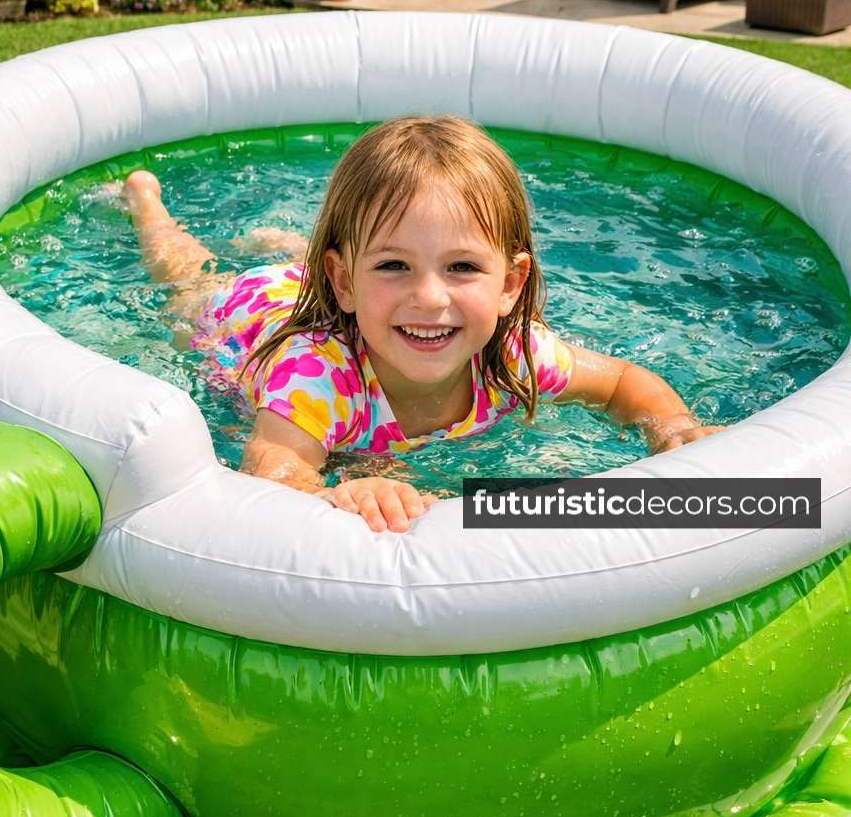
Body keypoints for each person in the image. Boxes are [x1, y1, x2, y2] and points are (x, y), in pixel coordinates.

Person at [122, 116, 724, 534]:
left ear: (510, 284)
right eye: (395, 265)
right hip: (248, 317)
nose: (430, 298)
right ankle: (148, 207)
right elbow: (270, 478)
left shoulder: (513, 354)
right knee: (186, 280)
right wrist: (336, 493)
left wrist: (671, 426)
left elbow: (621, 383)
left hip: (337, 290)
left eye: (462, 267)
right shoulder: (317, 378)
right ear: (343, 281)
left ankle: (307, 249)